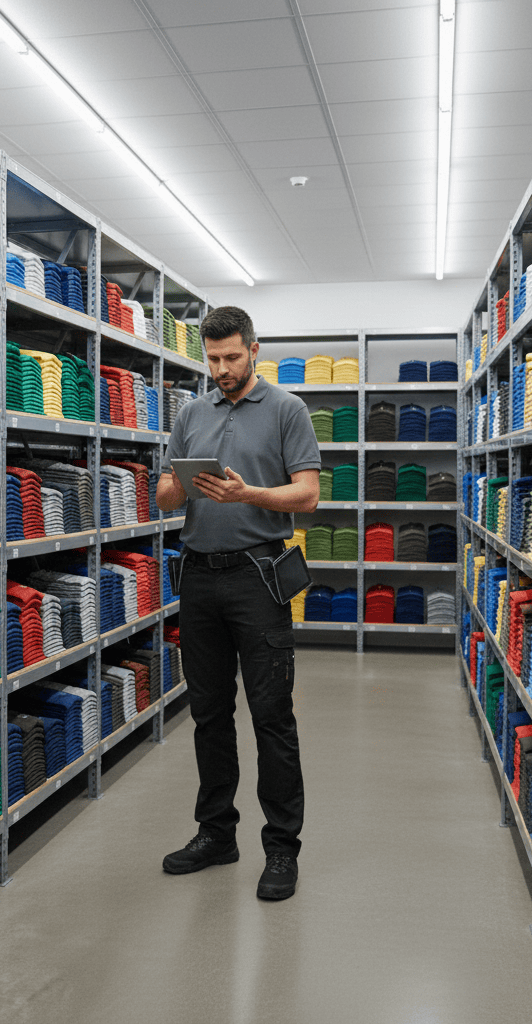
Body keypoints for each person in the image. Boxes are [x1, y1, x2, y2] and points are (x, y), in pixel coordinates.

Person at [156, 305, 320, 900]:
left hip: (258, 577)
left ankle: (281, 848)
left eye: (232, 357)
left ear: (254, 349)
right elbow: (163, 497)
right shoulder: (191, 413)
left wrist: (246, 492)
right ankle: (216, 832)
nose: (222, 369)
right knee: (208, 713)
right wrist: (177, 487)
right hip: (198, 576)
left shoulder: (286, 409)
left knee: (272, 715)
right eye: (213, 358)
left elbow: (307, 496)